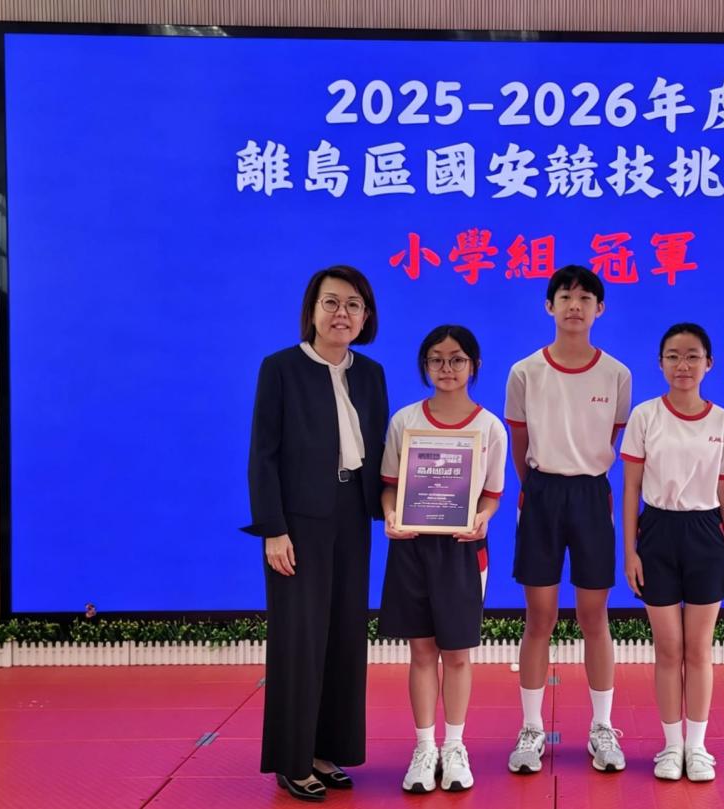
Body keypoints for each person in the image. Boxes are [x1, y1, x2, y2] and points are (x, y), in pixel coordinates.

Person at [244, 265, 388, 802]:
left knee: (345, 635)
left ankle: (328, 750)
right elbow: (263, 456)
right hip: (299, 523)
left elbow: (383, 451)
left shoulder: (370, 374)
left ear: (366, 316)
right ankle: (292, 758)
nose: (341, 314)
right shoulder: (280, 368)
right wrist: (273, 530)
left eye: (353, 305)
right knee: (299, 639)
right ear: (312, 310)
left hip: (354, 515)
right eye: (331, 302)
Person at [503, 265, 632, 775]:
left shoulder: (617, 374)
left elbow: (611, 438)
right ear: (549, 306)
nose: (574, 305)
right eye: (565, 297)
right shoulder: (525, 371)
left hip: (591, 496)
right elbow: (519, 441)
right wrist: (538, 488)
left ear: (600, 309)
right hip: (541, 493)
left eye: (585, 298)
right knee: (539, 617)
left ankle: (602, 728)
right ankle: (531, 729)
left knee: (594, 617)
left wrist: (579, 476)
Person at [377, 324, 507, 794]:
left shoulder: (489, 427)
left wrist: (484, 518)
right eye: (436, 359)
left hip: (462, 550)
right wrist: (391, 514)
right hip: (412, 547)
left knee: (456, 653)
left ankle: (454, 746)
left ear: (474, 365)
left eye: (456, 359)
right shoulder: (405, 420)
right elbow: (390, 486)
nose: (446, 368)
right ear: (424, 366)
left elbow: (492, 495)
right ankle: (424, 747)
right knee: (421, 652)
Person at [620, 322, 724, 783]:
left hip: (705, 535)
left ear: (708, 364)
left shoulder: (723, 423)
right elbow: (631, 488)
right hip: (657, 533)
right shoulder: (645, 416)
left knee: (698, 649)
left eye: (693, 356)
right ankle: (671, 747)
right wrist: (630, 551)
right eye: (673, 356)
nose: (683, 365)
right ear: (660, 363)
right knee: (668, 648)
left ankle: (697, 747)